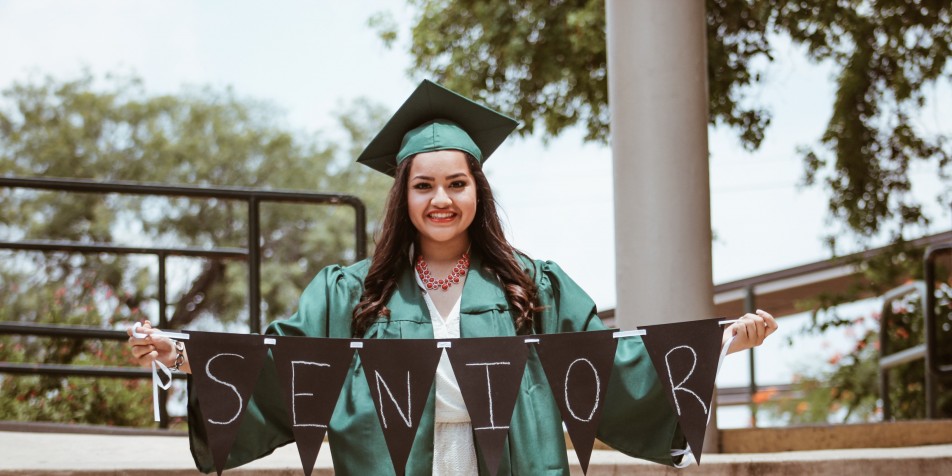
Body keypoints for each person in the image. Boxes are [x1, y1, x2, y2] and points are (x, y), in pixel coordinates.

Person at [128, 80, 778, 475]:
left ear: (477, 191)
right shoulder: (350, 292)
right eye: (425, 186)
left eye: (457, 184)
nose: (442, 199)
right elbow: (280, 362)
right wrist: (181, 352)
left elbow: (604, 361)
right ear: (404, 197)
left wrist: (716, 343)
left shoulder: (534, 287)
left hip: (511, 462)